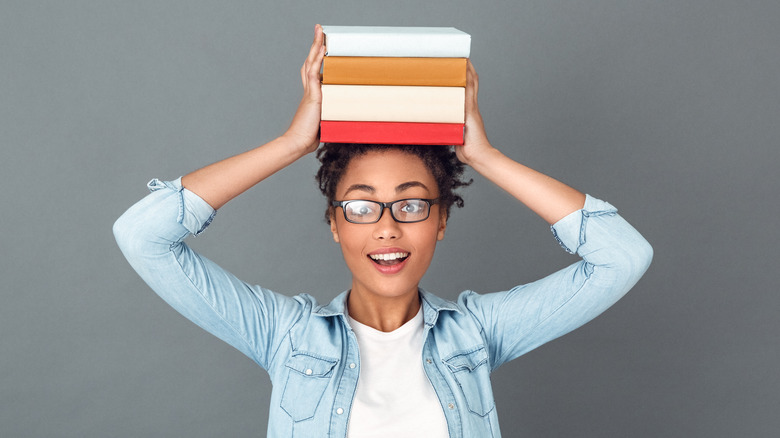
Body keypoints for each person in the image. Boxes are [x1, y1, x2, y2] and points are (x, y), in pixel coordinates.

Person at [114, 24, 652, 438]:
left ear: (441, 221)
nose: (388, 228)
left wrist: (483, 156)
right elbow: (144, 236)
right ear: (334, 223)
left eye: (413, 205)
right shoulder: (285, 336)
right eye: (362, 207)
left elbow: (621, 257)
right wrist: (294, 142)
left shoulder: (478, 334)